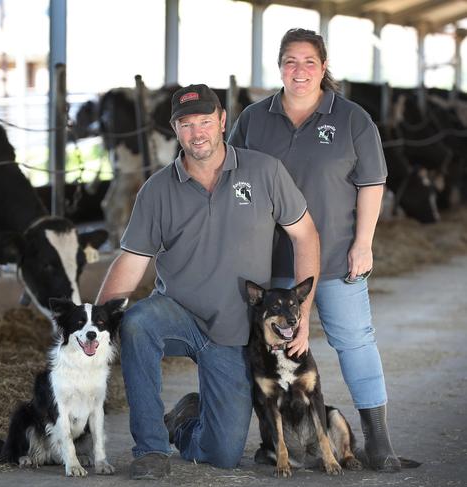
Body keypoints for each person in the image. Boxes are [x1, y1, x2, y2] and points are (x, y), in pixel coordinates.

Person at [96, 83, 320, 480]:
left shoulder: (264, 171)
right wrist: (94, 326)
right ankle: (150, 447)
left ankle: (182, 421)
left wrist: (302, 312)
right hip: (178, 312)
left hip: (235, 331)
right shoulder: (157, 190)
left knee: (224, 453)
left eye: (204, 121)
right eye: (186, 124)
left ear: (221, 121)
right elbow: (132, 260)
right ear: (174, 129)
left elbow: (305, 235)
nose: (197, 132)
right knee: (136, 323)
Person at [228, 28, 400, 473]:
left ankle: (377, 442)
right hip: (274, 265)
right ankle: (274, 442)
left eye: (309, 62)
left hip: (339, 256)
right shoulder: (253, 118)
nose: (299, 71)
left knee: (354, 341)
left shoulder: (352, 118)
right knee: (273, 352)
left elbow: (371, 184)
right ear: (278, 66)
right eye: (290, 61)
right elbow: (236, 181)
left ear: (324, 67)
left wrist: (364, 244)